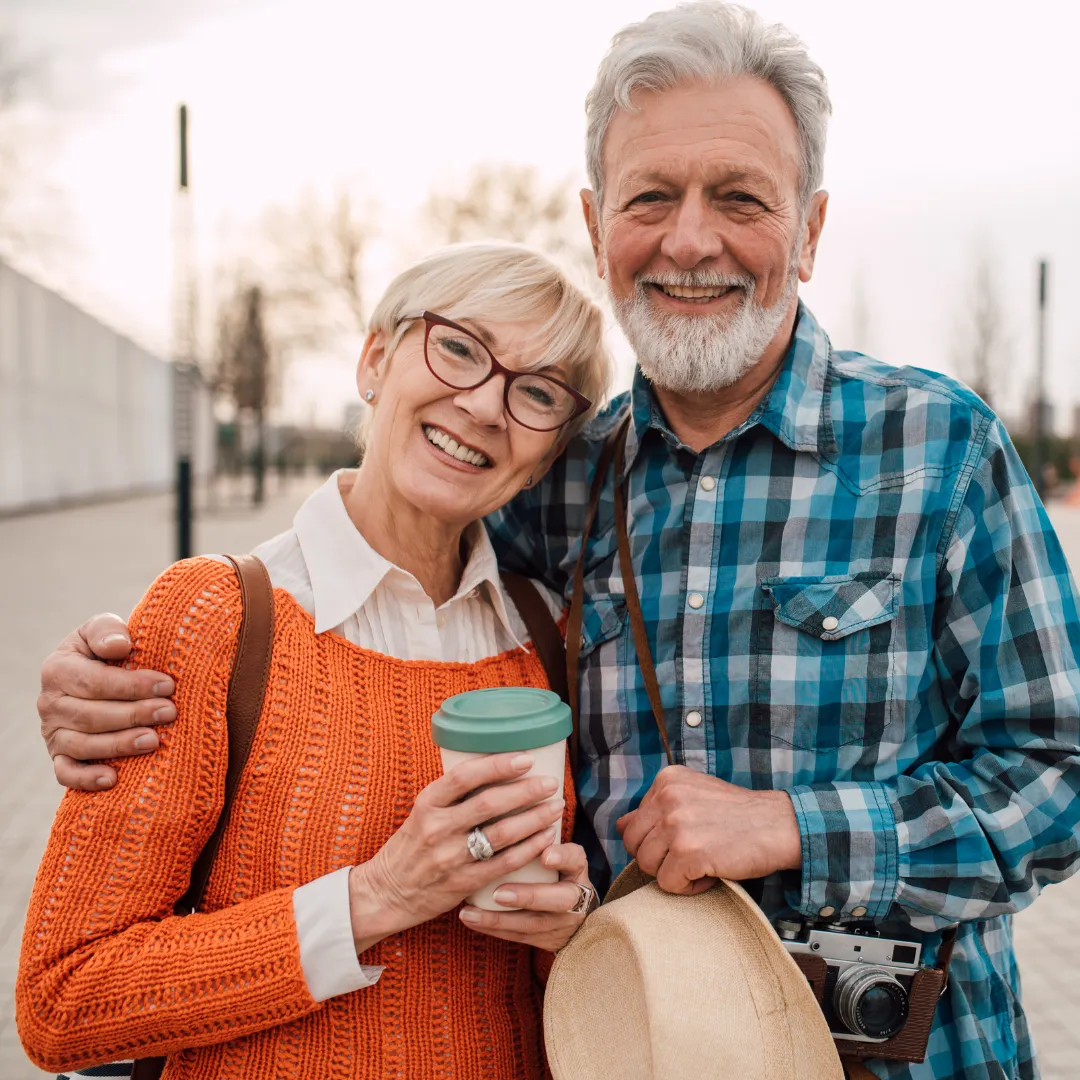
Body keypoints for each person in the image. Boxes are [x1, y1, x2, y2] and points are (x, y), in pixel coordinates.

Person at [34, 5, 1080, 1078]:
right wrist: (134, 665)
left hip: (908, 1057)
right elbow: (376, 559)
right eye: (651, 198)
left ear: (809, 231)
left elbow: (1062, 771)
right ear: (595, 226)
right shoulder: (559, 476)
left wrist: (798, 826)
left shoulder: (938, 450)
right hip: (635, 1051)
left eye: (739, 198)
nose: (688, 239)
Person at [18, 241, 611, 1079]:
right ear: (375, 358)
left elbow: (544, 990)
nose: (484, 405)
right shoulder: (215, 617)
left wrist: (568, 923)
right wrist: (377, 900)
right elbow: (62, 1000)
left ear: (546, 456)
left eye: (538, 393)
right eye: (458, 348)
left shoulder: (548, 636)